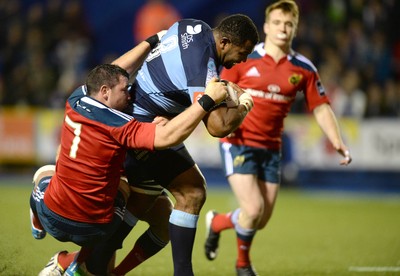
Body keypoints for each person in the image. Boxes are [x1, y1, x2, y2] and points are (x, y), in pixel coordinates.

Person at [29, 33, 230, 276]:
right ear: (105, 91)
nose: (130, 94)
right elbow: (166, 138)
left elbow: (113, 71)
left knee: (45, 172)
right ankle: (70, 263)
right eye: (125, 90)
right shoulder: (121, 124)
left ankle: (39, 224)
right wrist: (206, 101)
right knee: (123, 189)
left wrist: (153, 40)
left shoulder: (75, 98)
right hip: (94, 226)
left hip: (55, 210)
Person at [85, 14, 259, 276]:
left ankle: (86, 265)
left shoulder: (194, 26)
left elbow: (173, 79)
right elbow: (217, 126)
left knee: (140, 204)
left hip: (138, 117)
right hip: (142, 127)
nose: (242, 60)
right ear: (224, 42)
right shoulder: (202, 62)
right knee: (192, 193)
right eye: (242, 52)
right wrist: (245, 103)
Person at [203, 1, 352, 275]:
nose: (283, 28)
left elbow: (320, 105)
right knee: (253, 208)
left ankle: (217, 222)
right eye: (278, 23)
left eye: (289, 24)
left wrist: (337, 140)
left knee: (259, 219)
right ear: (266, 27)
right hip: (238, 142)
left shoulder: (303, 68)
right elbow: (216, 88)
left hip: (271, 149)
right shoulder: (244, 59)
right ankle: (243, 265)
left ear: (295, 28)